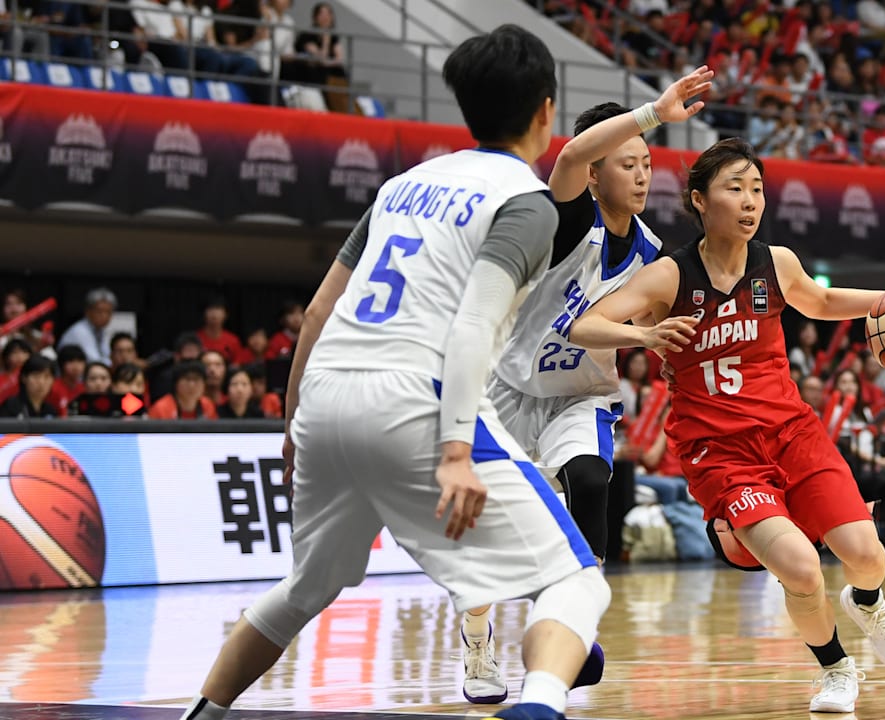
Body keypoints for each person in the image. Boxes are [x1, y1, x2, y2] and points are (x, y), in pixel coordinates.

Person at [178, 26, 610, 720]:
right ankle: (540, 702)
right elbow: (472, 324)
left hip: (326, 398)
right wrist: (456, 450)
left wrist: (295, 420)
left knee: (303, 588)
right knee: (580, 583)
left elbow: (320, 309)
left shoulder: (402, 186)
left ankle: (202, 713)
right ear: (546, 113)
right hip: (417, 397)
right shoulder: (524, 201)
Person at [568, 138, 885, 714]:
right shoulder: (668, 276)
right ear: (700, 200)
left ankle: (870, 602)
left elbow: (822, 302)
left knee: (867, 553)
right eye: (735, 188)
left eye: (756, 188)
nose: (750, 200)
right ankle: (835, 669)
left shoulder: (776, 262)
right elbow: (586, 325)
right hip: (720, 450)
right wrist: (644, 335)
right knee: (800, 567)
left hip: (791, 432)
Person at [460, 67, 713, 704]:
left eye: (646, 162)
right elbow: (570, 151)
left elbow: (659, 334)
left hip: (580, 396)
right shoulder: (566, 219)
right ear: (596, 173)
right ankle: (476, 635)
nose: (641, 172)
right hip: (509, 390)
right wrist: (654, 112)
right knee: (487, 537)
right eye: (625, 162)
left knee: (594, 482)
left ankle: (574, 625)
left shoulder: (653, 254)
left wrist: (676, 359)